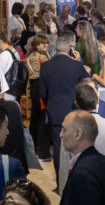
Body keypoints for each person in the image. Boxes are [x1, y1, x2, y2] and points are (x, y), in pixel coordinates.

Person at [38, 30, 91, 173]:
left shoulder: (46, 66)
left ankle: (60, 183)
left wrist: (50, 103)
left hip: (54, 111)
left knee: (58, 148)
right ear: (70, 47)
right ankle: (75, 178)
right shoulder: (76, 66)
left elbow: (42, 92)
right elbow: (87, 86)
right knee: (76, 146)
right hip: (74, 111)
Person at [25, 34, 52, 158]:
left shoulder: (31, 55)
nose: (46, 45)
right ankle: (41, 148)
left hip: (34, 87)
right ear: (37, 45)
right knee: (42, 119)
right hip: (41, 87)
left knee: (35, 118)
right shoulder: (41, 57)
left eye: (47, 43)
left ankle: (33, 145)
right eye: (43, 43)